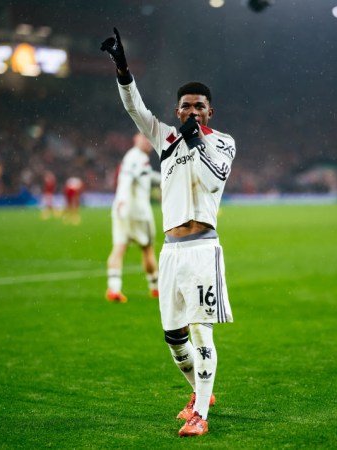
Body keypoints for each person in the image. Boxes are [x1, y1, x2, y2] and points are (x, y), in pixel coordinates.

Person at [101, 27, 236, 437]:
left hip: (201, 250)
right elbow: (134, 108)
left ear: (209, 112)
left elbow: (215, 180)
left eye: (199, 107)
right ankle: (200, 392)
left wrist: (197, 141)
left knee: (200, 329)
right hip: (171, 251)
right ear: (177, 111)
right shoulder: (165, 140)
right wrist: (122, 67)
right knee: (174, 337)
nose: (192, 112)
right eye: (186, 107)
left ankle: (201, 416)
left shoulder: (223, 143)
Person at [106, 132, 160, 303]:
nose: (148, 143)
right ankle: (155, 288)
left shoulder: (132, 158)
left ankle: (114, 288)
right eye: (145, 138)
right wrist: (123, 200)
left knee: (119, 248)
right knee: (147, 249)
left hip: (121, 211)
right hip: (138, 212)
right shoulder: (136, 157)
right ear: (135, 138)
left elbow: (147, 176)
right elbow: (127, 180)